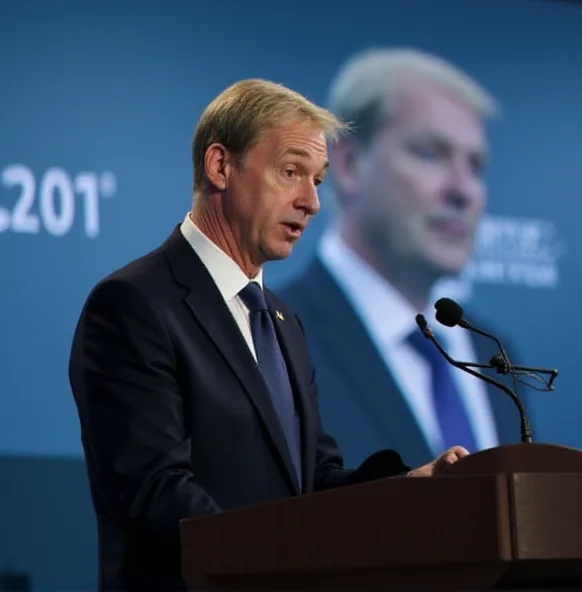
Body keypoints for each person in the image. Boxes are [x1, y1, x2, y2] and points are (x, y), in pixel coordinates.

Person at [68, 79, 469, 592]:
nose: (312, 202)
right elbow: (157, 494)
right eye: (291, 172)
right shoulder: (134, 305)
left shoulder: (284, 322)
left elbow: (314, 484)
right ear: (220, 166)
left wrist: (406, 489)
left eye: (319, 180)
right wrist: (282, 563)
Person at [278, 48, 525, 468]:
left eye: (476, 165)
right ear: (351, 164)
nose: (463, 190)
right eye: (431, 153)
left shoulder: (495, 355)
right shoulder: (275, 338)